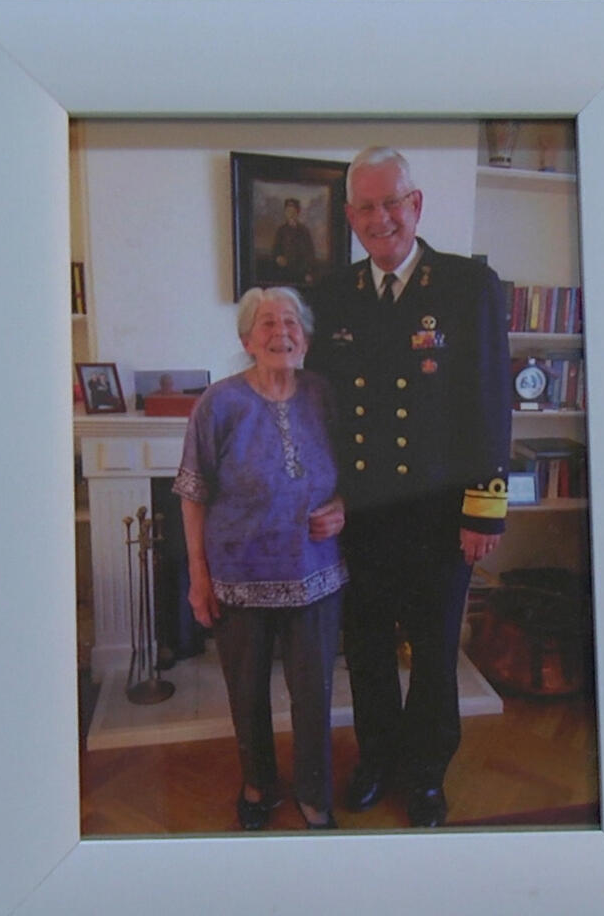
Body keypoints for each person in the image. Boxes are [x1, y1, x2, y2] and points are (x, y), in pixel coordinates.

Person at [306, 146, 511, 828]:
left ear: (415, 205)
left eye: (391, 203)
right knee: (363, 646)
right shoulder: (329, 296)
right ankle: (376, 759)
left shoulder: (466, 287)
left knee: (431, 651)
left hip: (438, 513)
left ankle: (425, 774)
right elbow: (318, 409)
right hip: (360, 514)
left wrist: (484, 509)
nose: (379, 218)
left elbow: (489, 400)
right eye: (365, 207)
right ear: (350, 216)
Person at [173, 286, 347, 831]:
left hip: (316, 573)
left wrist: (344, 506)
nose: (282, 333)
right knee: (247, 692)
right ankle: (258, 784)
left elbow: (356, 472)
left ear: (307, 336)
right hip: (239, 578)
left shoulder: (325, 395)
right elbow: (193, 491)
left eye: (291, 322)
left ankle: (315, 791)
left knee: (314, 693)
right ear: (247, 339)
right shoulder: (218, 403)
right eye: (268, 324)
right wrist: (199, 578)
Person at [272, 198, 316, 286]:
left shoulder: (304, 231)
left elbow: (310, 254)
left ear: (298, 213)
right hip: (284, 272)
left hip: (300, 273)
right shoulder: (281, 230)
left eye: (293, 212)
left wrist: (308, 272)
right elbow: (275, 250)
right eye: (288, 211)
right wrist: (278, 258)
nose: (291, 215)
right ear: (285, 213)